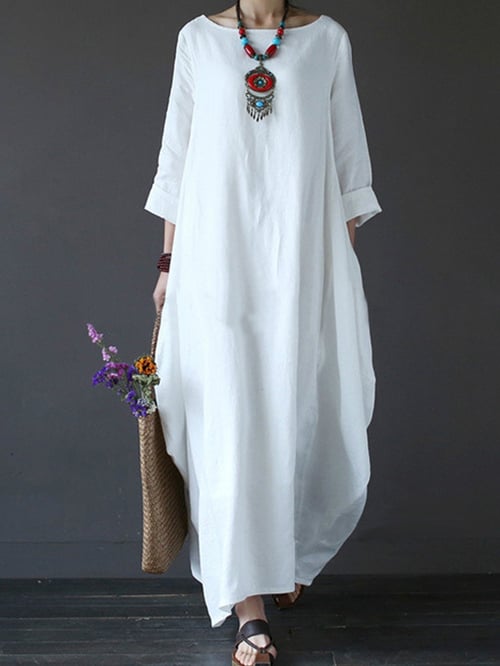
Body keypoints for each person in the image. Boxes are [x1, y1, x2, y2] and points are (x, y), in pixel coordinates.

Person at [144, 0, 382, 663]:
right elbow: (176, 160)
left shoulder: (327, 41)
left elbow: (347, 164)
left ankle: (287, 553)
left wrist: (334, 274)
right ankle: (248, 604)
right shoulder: (197, 41)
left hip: (299, 266)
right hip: (217, 265)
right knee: (228, 420)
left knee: (298, 411)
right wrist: (168, 266)